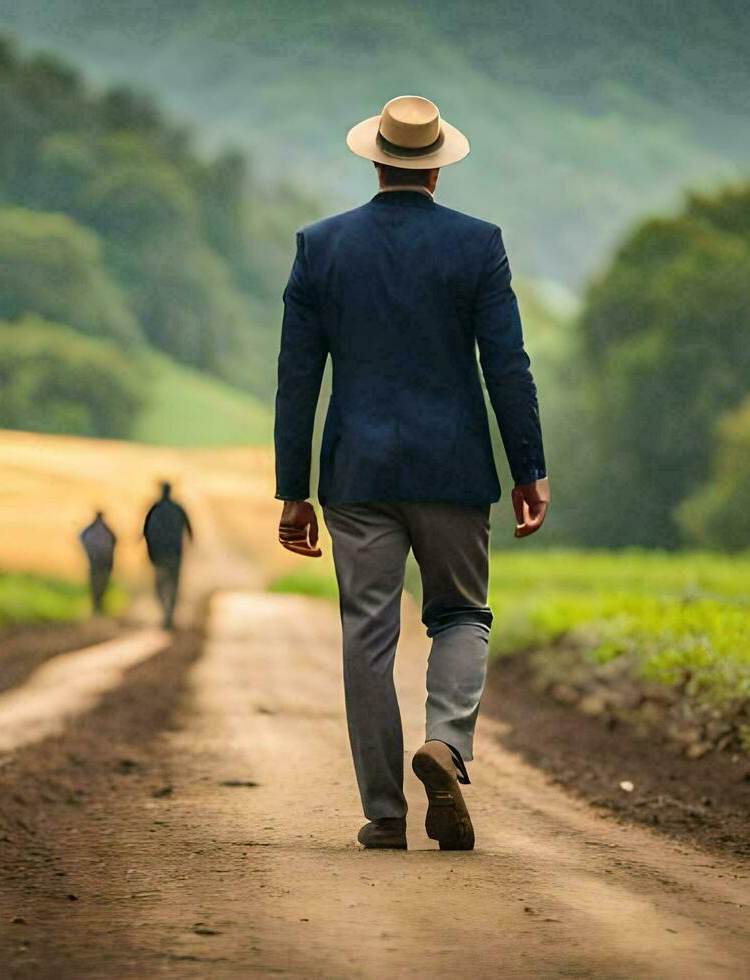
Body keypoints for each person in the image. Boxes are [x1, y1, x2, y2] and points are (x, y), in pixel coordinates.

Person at [273, 96, 549, 852]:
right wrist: (529, 467)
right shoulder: (478, 246)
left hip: (357, 474)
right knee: (460, 613)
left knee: (367, 634)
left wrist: (291, 490)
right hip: (454, 468)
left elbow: (298, 378)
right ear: (435, 166)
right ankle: (447, 745)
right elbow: (508, 367)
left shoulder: (320, 247)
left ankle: (385, 813)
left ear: (376, 159)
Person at [142, 482, 193, 629]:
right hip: (174, 554)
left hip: (159, 555)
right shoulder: (178, 508)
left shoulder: (154, 508)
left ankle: (166, 614)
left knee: (160, 585)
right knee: (173, 585)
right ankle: (168, 615)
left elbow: (145, 532)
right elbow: (190, 531)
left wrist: (149, 552)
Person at [78, 511, 116, 615]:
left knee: (96, 585)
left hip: (95, 562)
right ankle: (98, 606)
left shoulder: (90, 530)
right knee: (101, 585)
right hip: (104, 562)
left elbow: (81, 537)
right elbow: (115, 541)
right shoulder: (107, 531)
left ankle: (97, 606)